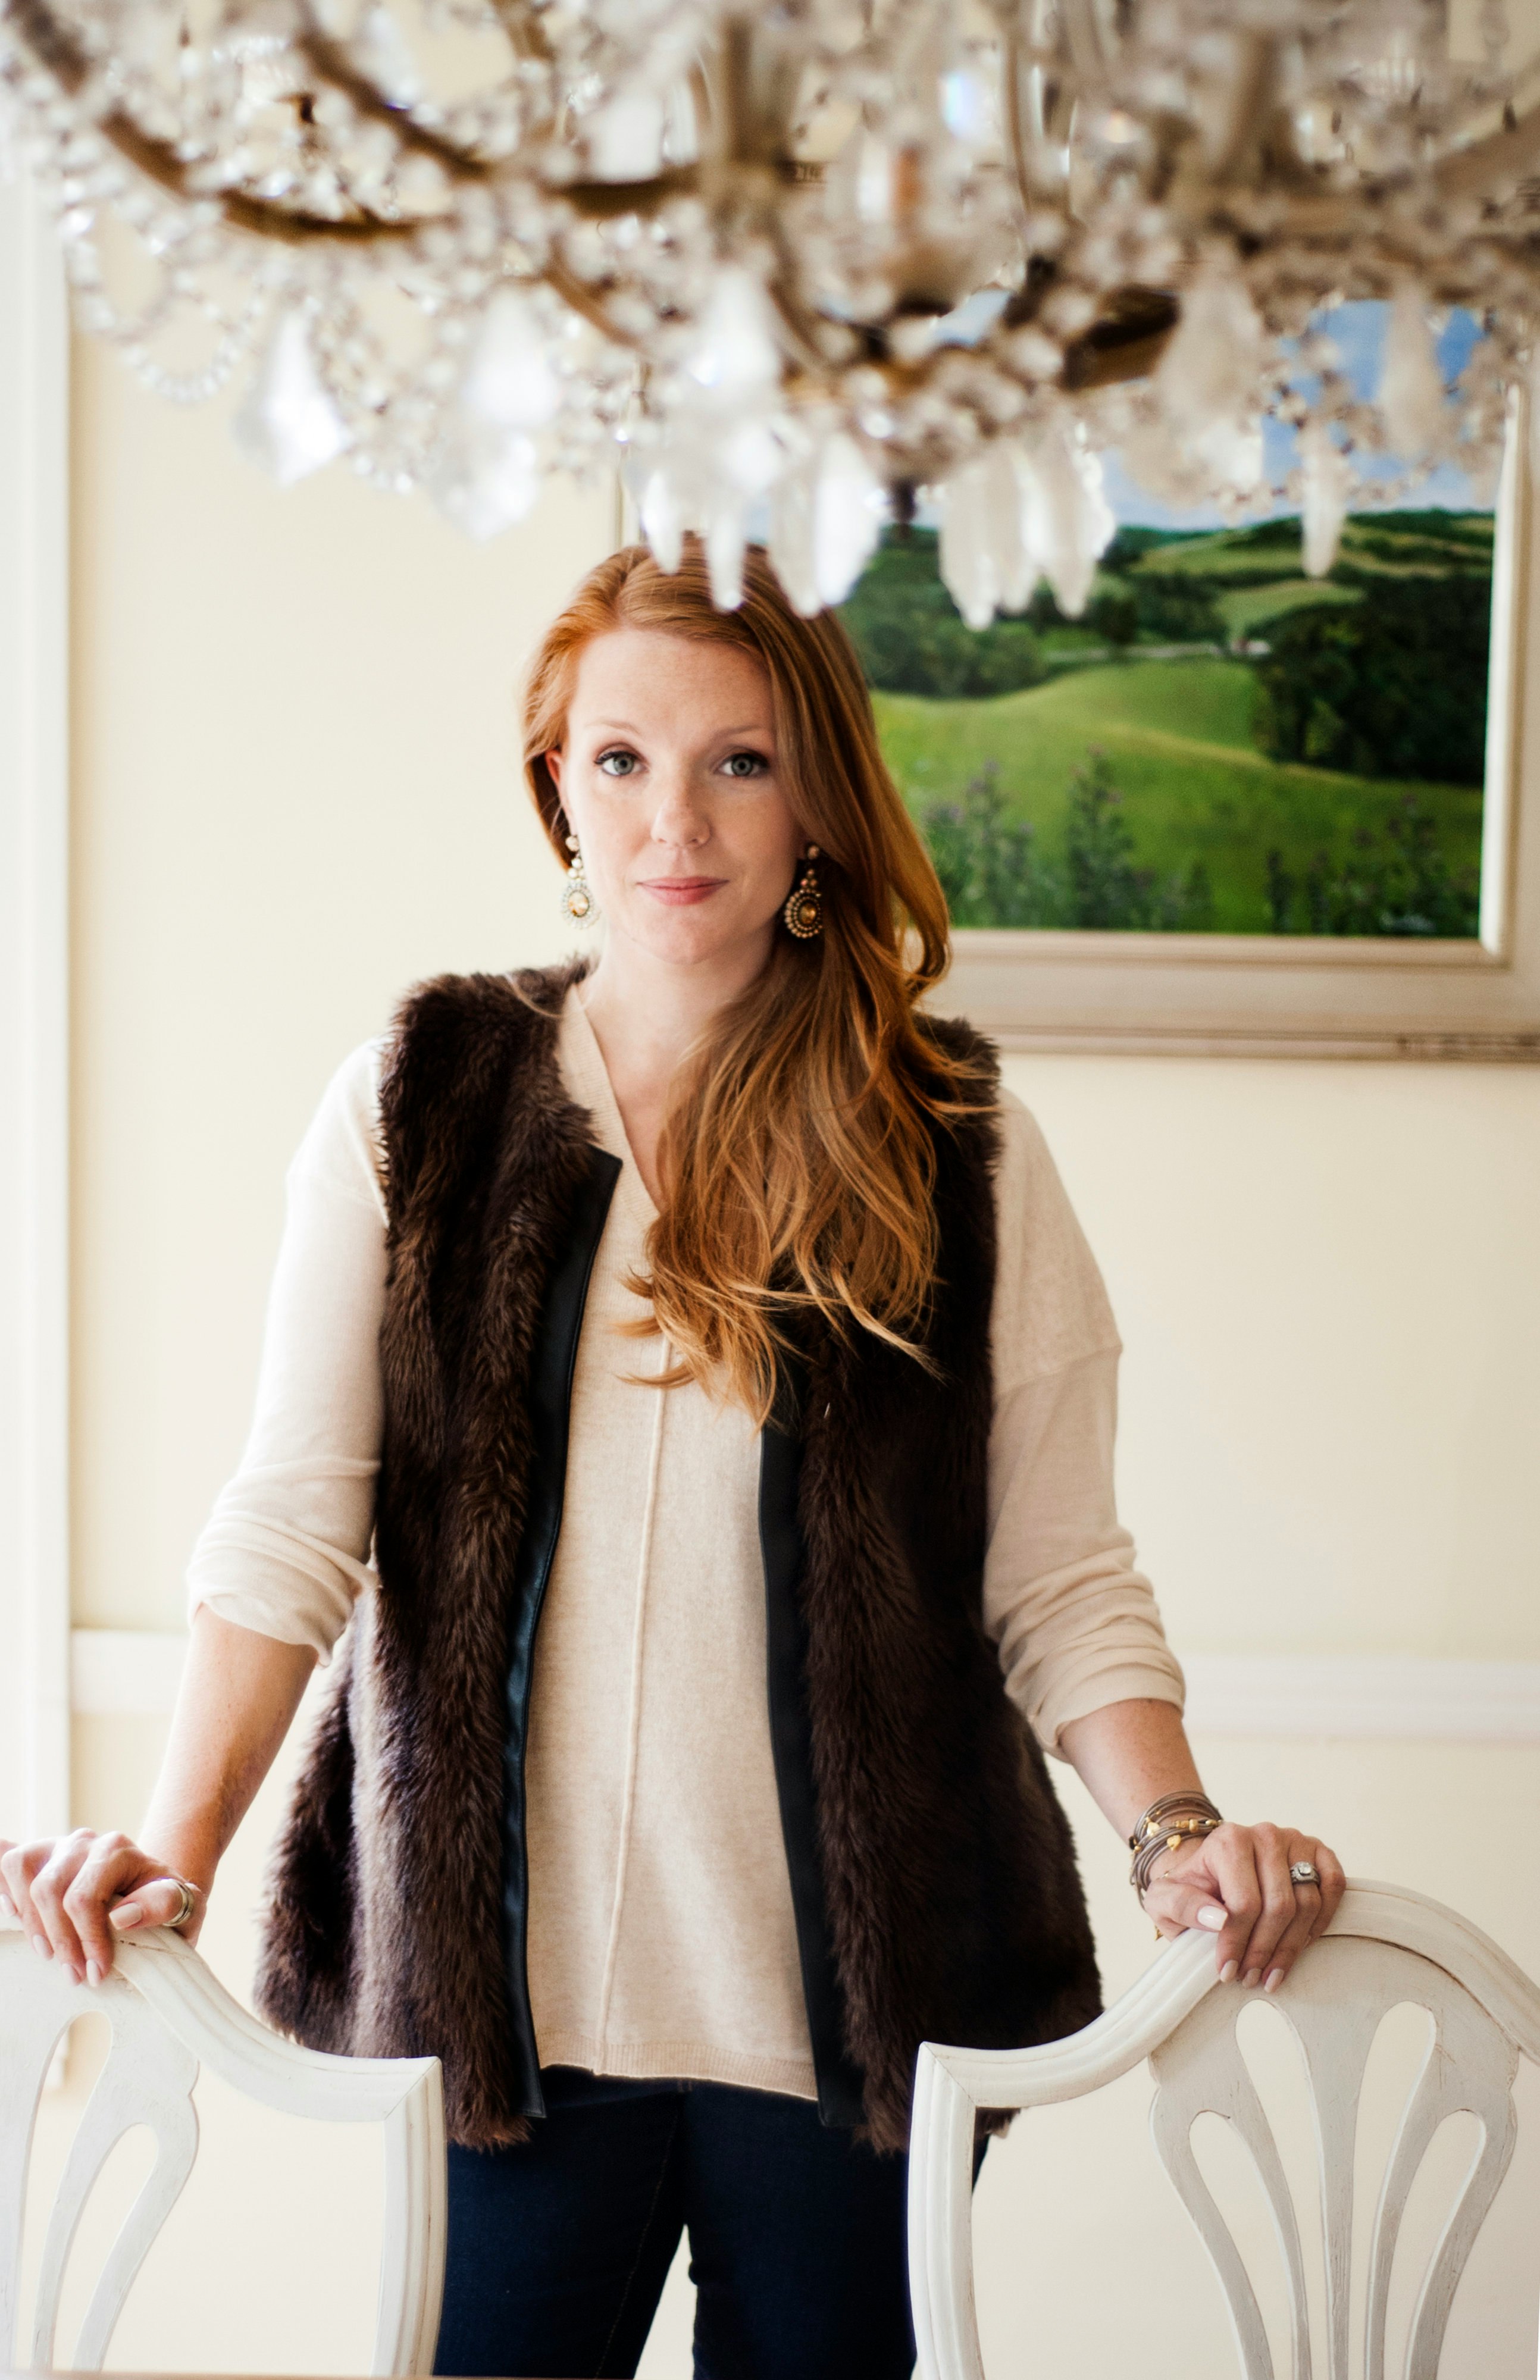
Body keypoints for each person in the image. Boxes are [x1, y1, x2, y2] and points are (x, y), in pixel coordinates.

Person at [1, 541, 1344, 2380]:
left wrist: (1178, 1832)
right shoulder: (423, 1094)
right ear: (555, 781)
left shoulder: (946, 1136)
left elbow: (1055, 1576)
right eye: (620, 758)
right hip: (506, 2028)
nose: (673, 821)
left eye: (739, 758)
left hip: (850, 2040)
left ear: (820, 799)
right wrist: (171, 1842)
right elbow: (294, 1518)